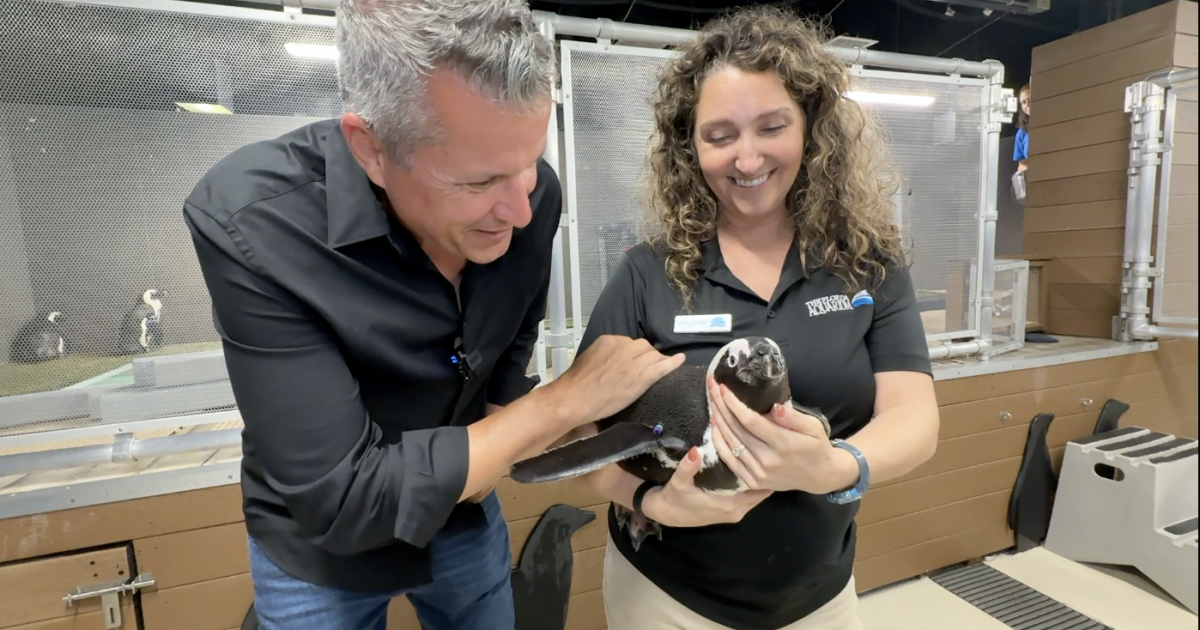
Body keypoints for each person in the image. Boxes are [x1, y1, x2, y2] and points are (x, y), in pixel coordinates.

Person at [182, 1, 684, 629]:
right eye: (478, 183)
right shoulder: (254, 220)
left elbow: (512, 328)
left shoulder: (533, 194)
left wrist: (509, 414)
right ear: (370, 149)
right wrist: (562, 403)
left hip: (464, 516)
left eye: (527, 163)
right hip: (321, 547)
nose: (521, 212)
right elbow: (344, 497)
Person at [571, 6, 941, 630]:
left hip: (819, 595)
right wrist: (652, 499)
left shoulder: (866, 266)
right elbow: (580, 434)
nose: (747, 160)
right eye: (720, 136)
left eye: (771, 127)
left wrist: (837, 466)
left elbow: (914, 416)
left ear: (812, 128)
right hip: (668, 596)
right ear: (690, 146)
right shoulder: (646, 274)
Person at [1014, 84, 1031, 172]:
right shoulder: (1022, 133)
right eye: (1024, 102)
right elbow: (1021, 165)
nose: (1027, 105)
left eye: (1030, 100)